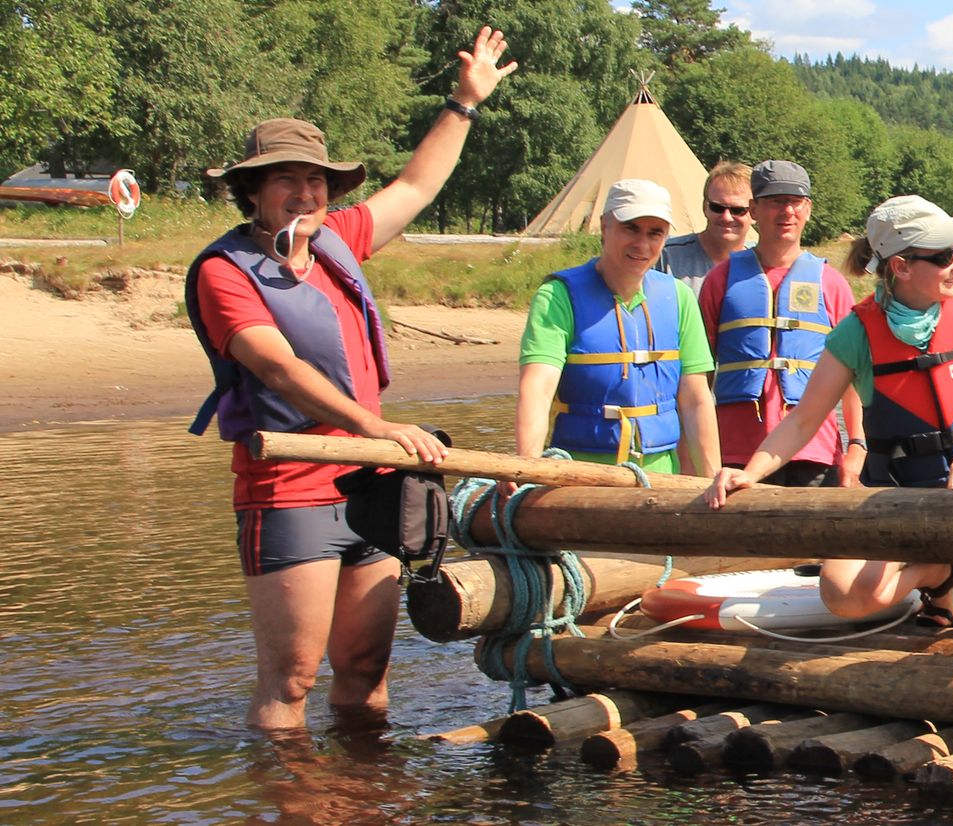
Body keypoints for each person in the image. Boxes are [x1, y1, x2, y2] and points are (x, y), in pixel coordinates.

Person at [182, 26, 510, 730]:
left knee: (365, 674)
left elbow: (418, 185)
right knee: (292, 680)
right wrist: (378, 426)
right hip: (288, 488)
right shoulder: (223, 272)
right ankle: (289, 800)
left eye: (316, 181)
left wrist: (465, 102)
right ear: (252, 191)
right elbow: (276, 366)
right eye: (287, 180)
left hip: (370, 482)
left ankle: (367, 796)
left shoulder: (340, 238)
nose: (305, 194)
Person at [697, 194, 953, 629]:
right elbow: (803, 419)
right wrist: (750, 471)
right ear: (900, 267)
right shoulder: (855, 333)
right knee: (842, 593)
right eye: (943, 256)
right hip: (897, 499)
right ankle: (942, 575)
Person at [513, 178, 718, 474]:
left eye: (655, 233)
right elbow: (537, 389)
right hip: (579, 474)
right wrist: (526, 469)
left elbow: (696, 400)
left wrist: (711, 480)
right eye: (631, 228)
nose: (642, 244)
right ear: (605, 226)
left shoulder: (679, 297)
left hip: (661, 476)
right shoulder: (558, 296)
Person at [697, 160, 859, 487]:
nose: (787, 211)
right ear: (754, 210)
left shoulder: (832, 283)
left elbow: (852, 377)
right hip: (736, 451)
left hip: (815, 451)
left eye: (795, 202)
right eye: (774, 202)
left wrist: (856, 443)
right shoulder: (720, 280)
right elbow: (698, 377)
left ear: (808, 209)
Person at [656, 160, 755, 291]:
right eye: (717, 207)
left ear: (755, 212)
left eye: (737, 210)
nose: (726, 217)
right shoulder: (665, 257)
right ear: (704, 207)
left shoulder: (763, 264)